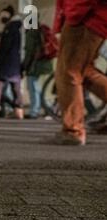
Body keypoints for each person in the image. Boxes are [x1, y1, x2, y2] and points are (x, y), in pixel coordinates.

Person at [52, 0, 107, 145]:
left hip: (86, 14)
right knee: (84, 70)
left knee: (69, 71)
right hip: (91, 14)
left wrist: (74, 13)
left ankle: (73, 130)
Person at [0, 6, 24, 121]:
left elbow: (5, 48)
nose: (1, 18)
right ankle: (19, 111)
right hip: (14, 63)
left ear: (8, 15)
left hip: (6, 62)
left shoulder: (9, 29)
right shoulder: (16, 28)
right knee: (15, 88)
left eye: (3, 15)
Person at [23, 20, 54, 119]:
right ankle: (48, 108)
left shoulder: (32, 31)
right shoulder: (41, 29)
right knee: (39, 88)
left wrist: (24, 65)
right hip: (45, 62)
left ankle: (34, 111)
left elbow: (29, 51)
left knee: (33, 87)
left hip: (35, 64)